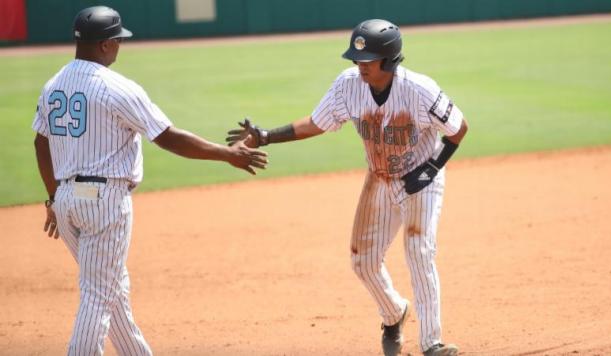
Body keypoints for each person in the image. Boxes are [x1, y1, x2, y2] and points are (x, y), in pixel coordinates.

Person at [32, 6, 268, 355]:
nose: (119, 46)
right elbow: (167, 136)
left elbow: (41, 141)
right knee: (98, 294)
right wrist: (226, 153)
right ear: (105, 44)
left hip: (66, 199)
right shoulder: (117, 88)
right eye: (118, 40)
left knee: (112, 288)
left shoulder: (53, 85)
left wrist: (53, 198)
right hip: (104, 202)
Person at [226, 19, 467, 356]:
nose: (360, 65)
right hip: (379, 179)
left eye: (368, 59)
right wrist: (266, 136)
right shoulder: (347, 86)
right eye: (357, 59)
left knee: (418, 251)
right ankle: (394, 313)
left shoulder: (419, 90)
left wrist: (431, 168)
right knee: (362, 262)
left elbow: (458, 128)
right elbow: (316, 123)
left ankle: (432, 343)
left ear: (389, 59)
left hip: (420, 181)